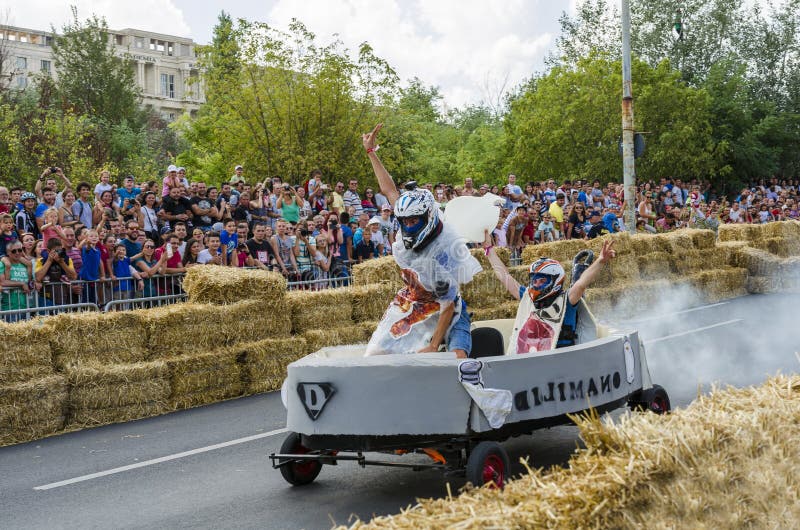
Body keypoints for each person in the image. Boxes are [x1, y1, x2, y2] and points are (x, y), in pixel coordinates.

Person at [362, 124, 481, 359]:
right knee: (377, 352)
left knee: (457, 358)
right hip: (414, 300)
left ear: (427, 216)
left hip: (447, 307)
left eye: (413, 220)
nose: (407, 225)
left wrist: (434, 345)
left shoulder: (443, 250)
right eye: (404, 221)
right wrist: (371, 152)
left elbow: (447, 307)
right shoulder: (404, 216)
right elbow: (388, 189)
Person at [484, 230, 616, 354]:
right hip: (531, 361)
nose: (536, 284)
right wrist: (489, 250)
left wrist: (600, 261)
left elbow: (581, 283)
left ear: (555, 281)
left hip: (562, 360)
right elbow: (504, 277)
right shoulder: (527, 297)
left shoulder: (567, 300)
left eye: (542, 281)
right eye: (534, 280)